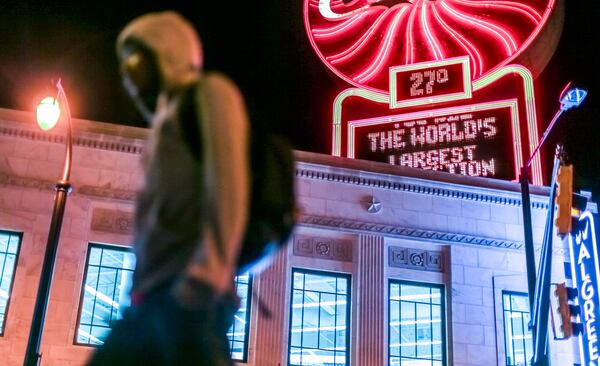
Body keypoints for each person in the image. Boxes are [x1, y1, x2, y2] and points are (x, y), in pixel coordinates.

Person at [88, 11, 249, 365]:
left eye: (136, 60)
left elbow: (228, 185)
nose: (129, 77)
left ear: (165, 52)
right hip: (152, 297)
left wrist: (205, 278)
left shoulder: (210, 93)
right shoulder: (163, 124)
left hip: (188, 298)